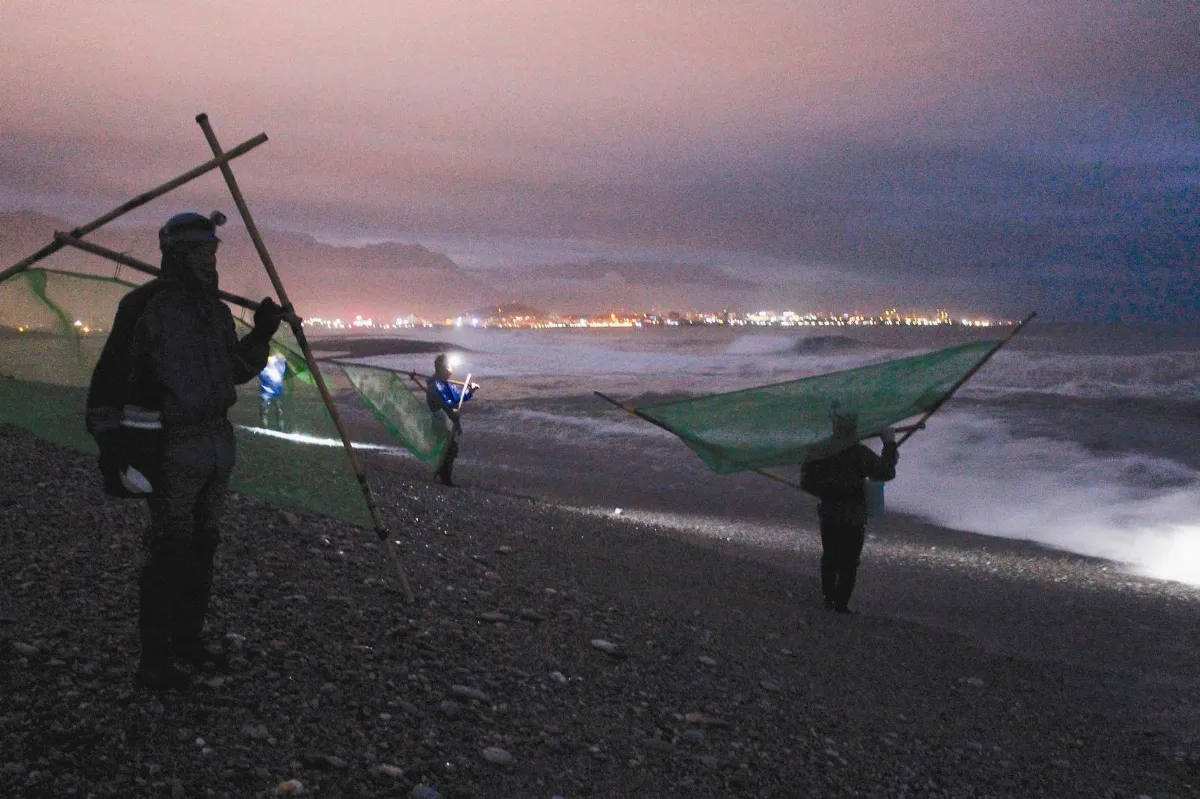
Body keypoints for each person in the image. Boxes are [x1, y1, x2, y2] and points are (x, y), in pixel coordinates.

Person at [85, 211, 287, 691]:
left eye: (212, 250)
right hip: (172, 446)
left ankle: (187, 642)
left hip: (217, 442)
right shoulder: (142, 307)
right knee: (169, 550)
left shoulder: (214, 311)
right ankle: (154, 663)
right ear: (175, 253)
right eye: (199, 250)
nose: (209, 259)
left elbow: (233, 370)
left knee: (204, 546)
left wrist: (260, 334)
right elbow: (109, 380)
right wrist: (113, 445)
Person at [800, 410, 898, 614]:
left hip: (829, 513)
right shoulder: (858, 453)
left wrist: (826, 491)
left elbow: (806, 482)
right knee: (849, 562)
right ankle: (840, 604)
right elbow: (886, 472)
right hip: (852, 516)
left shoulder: (820, 451)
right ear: (853, 428)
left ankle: (829, 600)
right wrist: (889, 443)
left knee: (830, 557)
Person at [425, 353, 478, 486]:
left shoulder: (446, 384)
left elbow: (458, 397)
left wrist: (470, 391)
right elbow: (445, 403)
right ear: (443, 368)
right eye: (449, 367)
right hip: (441, 421)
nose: (451, 370)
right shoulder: (434, 386)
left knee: (449, 449)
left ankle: (442, 474)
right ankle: (444, 478)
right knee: (448, 449)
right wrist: (452, 411)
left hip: (448, 422)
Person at [259, 352, 289, 430]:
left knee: (275, 406)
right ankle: (273, 424)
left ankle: (278, 425)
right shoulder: (278, 361)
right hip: (273, 387)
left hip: (274, 387)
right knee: (269, 406)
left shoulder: (278, 361)